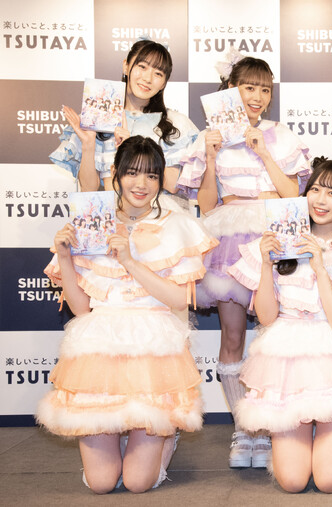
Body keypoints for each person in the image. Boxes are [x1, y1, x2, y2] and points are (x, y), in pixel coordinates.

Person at [36, 136, 218, 494]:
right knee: (101, 483)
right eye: (132, 173)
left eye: (152, 175)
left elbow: (178, 300)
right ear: (116, 174)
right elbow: (80, 308)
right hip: (99, 346)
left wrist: (130, 261)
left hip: (153, 344)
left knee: (137, 483)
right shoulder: (90, 223)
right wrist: (66, 258)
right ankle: (121, 440)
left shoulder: (176, 225)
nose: (141, 184)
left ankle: (163, 436)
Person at [176, 51, 311, 468]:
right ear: (231, 89)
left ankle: (273, 425)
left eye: (264, 89)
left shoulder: (280, 134)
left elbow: (294, 195)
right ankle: (243, 428)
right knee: (233, 337)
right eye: (248, 87)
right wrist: (211, 157)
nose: (256, 96)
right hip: (232, 239)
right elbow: (205, 204)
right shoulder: (209, 137)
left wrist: (264, 152)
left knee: (277, 337)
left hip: (277, 238)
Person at [228, 158, 332, 493]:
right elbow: (267, 317)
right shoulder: (282, 242)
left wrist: (320, 268)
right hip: (288, 357)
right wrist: (265, 264)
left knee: (329, 481)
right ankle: (304, 441)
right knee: (291, 481)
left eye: (331, 193)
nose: (320, 200)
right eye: (315, 189)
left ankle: (329, 441)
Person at [50, 39, 199, 204]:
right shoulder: (99, 118)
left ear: (164, 82)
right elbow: (88, 189)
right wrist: (88, 143)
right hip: (112, 214)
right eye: (142, 67)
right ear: (126, 66)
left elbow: (172, 185)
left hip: (158, 215)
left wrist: (131, 150)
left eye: (158, 73)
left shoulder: (175, 124)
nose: (148, 78)